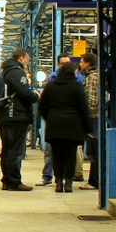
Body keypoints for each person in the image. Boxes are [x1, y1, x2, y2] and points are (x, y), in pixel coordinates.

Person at [38, 61, 91, 192]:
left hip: (54, 123)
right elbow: (84, 109)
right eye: (76, 71)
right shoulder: (77, 86)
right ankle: (68, 183)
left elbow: (42, 107)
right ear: (72, 72)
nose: (77, 73)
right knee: (70, 155)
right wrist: (88, 128)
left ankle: (58, 183)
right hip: (73, 124)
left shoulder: (50, 86)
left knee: (57, 155)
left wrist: (50, 117)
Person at [0, 47, 40, 191]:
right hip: (16, 115)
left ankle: (7, 180)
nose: (27, 62)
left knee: (8, 150)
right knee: (15, 151)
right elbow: (24, 93)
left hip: (6, 115)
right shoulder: (16, 72)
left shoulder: (6, 71)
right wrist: (35, 96)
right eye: (27, 59)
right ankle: (14, 182)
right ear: (21, 58)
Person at [38, 54, 75, 186]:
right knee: (53, 152)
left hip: (62, 123)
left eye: (68, 63)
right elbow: (43, 104)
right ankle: (51, 177)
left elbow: (42, 106)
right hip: (63, 123)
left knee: (67, 153)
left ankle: (63, 180)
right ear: (58, 65)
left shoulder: (77, 80)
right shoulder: (53, 80)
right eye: (63, 63)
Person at [79, 51, 100, 190]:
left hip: (93, 119)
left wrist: (85, 117)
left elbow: (92, 100)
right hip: (95, 118)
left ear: (88, 63)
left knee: (93, 151)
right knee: (94, 150)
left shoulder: (92, 77)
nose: (80, 64)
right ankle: (95, 180)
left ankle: (94, 181)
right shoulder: (93, 76)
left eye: (82, 61)